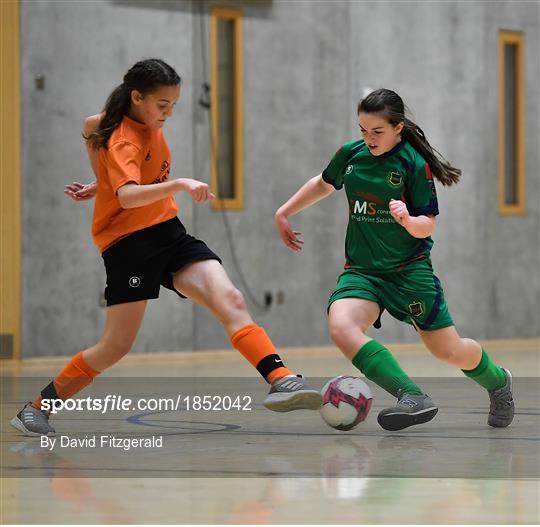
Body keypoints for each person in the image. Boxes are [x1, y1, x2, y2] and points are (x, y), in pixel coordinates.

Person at [11, 58, 321, 437]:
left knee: (233, 300)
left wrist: (100, 181)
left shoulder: (120, 118)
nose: (168, 114)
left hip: (168, 232)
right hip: (128, 244)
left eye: (174, 105)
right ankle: (38, 407)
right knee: (115, 347)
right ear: (137, 97)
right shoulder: (124, 138)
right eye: (162, 106)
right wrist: (176, 184)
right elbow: (126, 197)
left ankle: (280, 377)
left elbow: (91, 126)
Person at [274, 88, 514, 431]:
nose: (368, 138)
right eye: (363, 130)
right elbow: (325, 183)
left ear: (398, 127)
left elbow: (427, 225)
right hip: (363, 272)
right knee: (341, 327)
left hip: (409, 272)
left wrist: (406, 219)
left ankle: (498, 381)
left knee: (449, 351)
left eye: (377, 131)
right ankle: (411, 396)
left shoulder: (413, 165)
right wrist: (284, 212)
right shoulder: (351, 154)